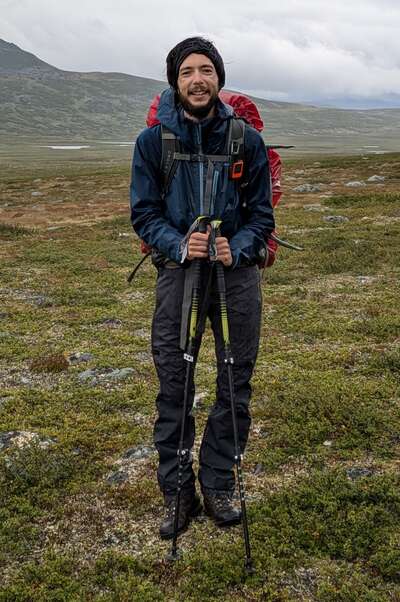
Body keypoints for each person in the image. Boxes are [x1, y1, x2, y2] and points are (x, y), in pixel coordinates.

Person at [130, 36, 275, 540]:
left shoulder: (245, 141)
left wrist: (243, 244)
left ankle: (217, 482)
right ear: (175, 80)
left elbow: (262, 214)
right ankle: (177, 492)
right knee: (175, 382)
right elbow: (143, 214)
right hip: (179, 276)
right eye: (188, 71)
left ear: (219, 79)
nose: (198, 79)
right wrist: (177, 243)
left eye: (207, 70)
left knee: (235, 381)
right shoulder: (152, 143)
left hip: (235, 277)